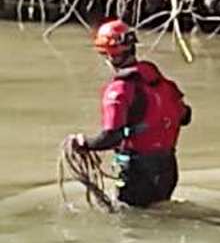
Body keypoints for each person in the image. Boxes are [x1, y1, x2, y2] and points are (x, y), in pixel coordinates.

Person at [70, 19, 192, 208]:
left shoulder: (118, 91)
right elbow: (186, 116)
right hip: (168, 168)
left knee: (132, 223)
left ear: (111, 55)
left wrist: (83, 143)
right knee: (159, 213)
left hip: (137, 172)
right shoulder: (162, 83)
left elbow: (111, 137)